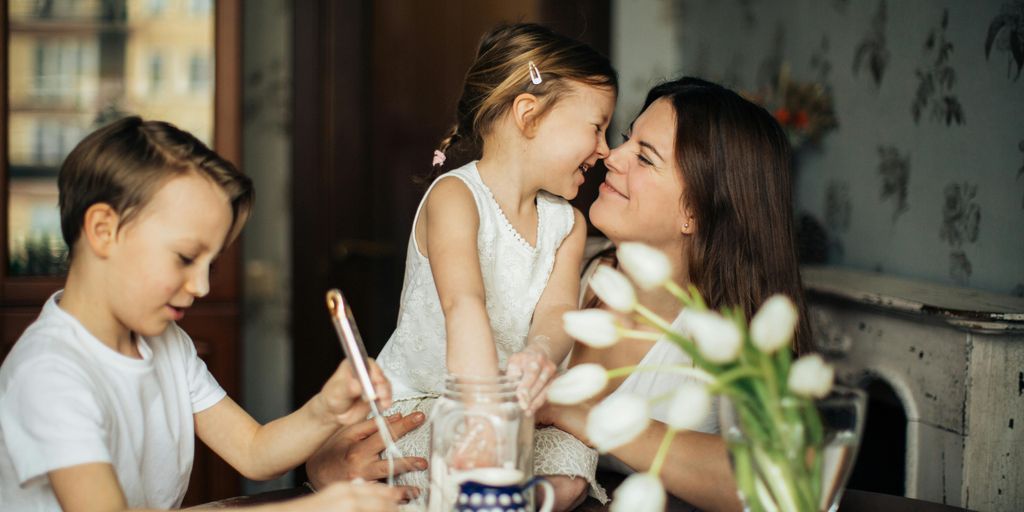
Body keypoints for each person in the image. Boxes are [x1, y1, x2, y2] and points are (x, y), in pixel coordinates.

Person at [0, 117, 404, 511]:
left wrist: (325, 410)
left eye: (209, 265)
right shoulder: (49, 373)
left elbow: (252, 450)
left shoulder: (166, 343)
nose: (202, 287)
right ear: (104, 230)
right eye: (186, 258)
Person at [367, 22, 616, 510]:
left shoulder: (567, 223)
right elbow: (464, 305)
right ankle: (490, 491)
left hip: (511, 414)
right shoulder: (456, 197)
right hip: (425, 405)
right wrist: (483, 421)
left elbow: (559, 309)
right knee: (442, 473)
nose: (605, 149)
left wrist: (542, 352)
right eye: (597, 127)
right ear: (529, 115)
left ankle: (509, 498)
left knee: (573, 466)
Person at [537, 76, 813, 512]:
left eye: (644, 158)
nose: (611, 154)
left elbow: (791, 482)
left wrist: (598, 421)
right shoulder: (559, 265)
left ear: (695, 211)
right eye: (627, 138)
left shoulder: (727, 338)